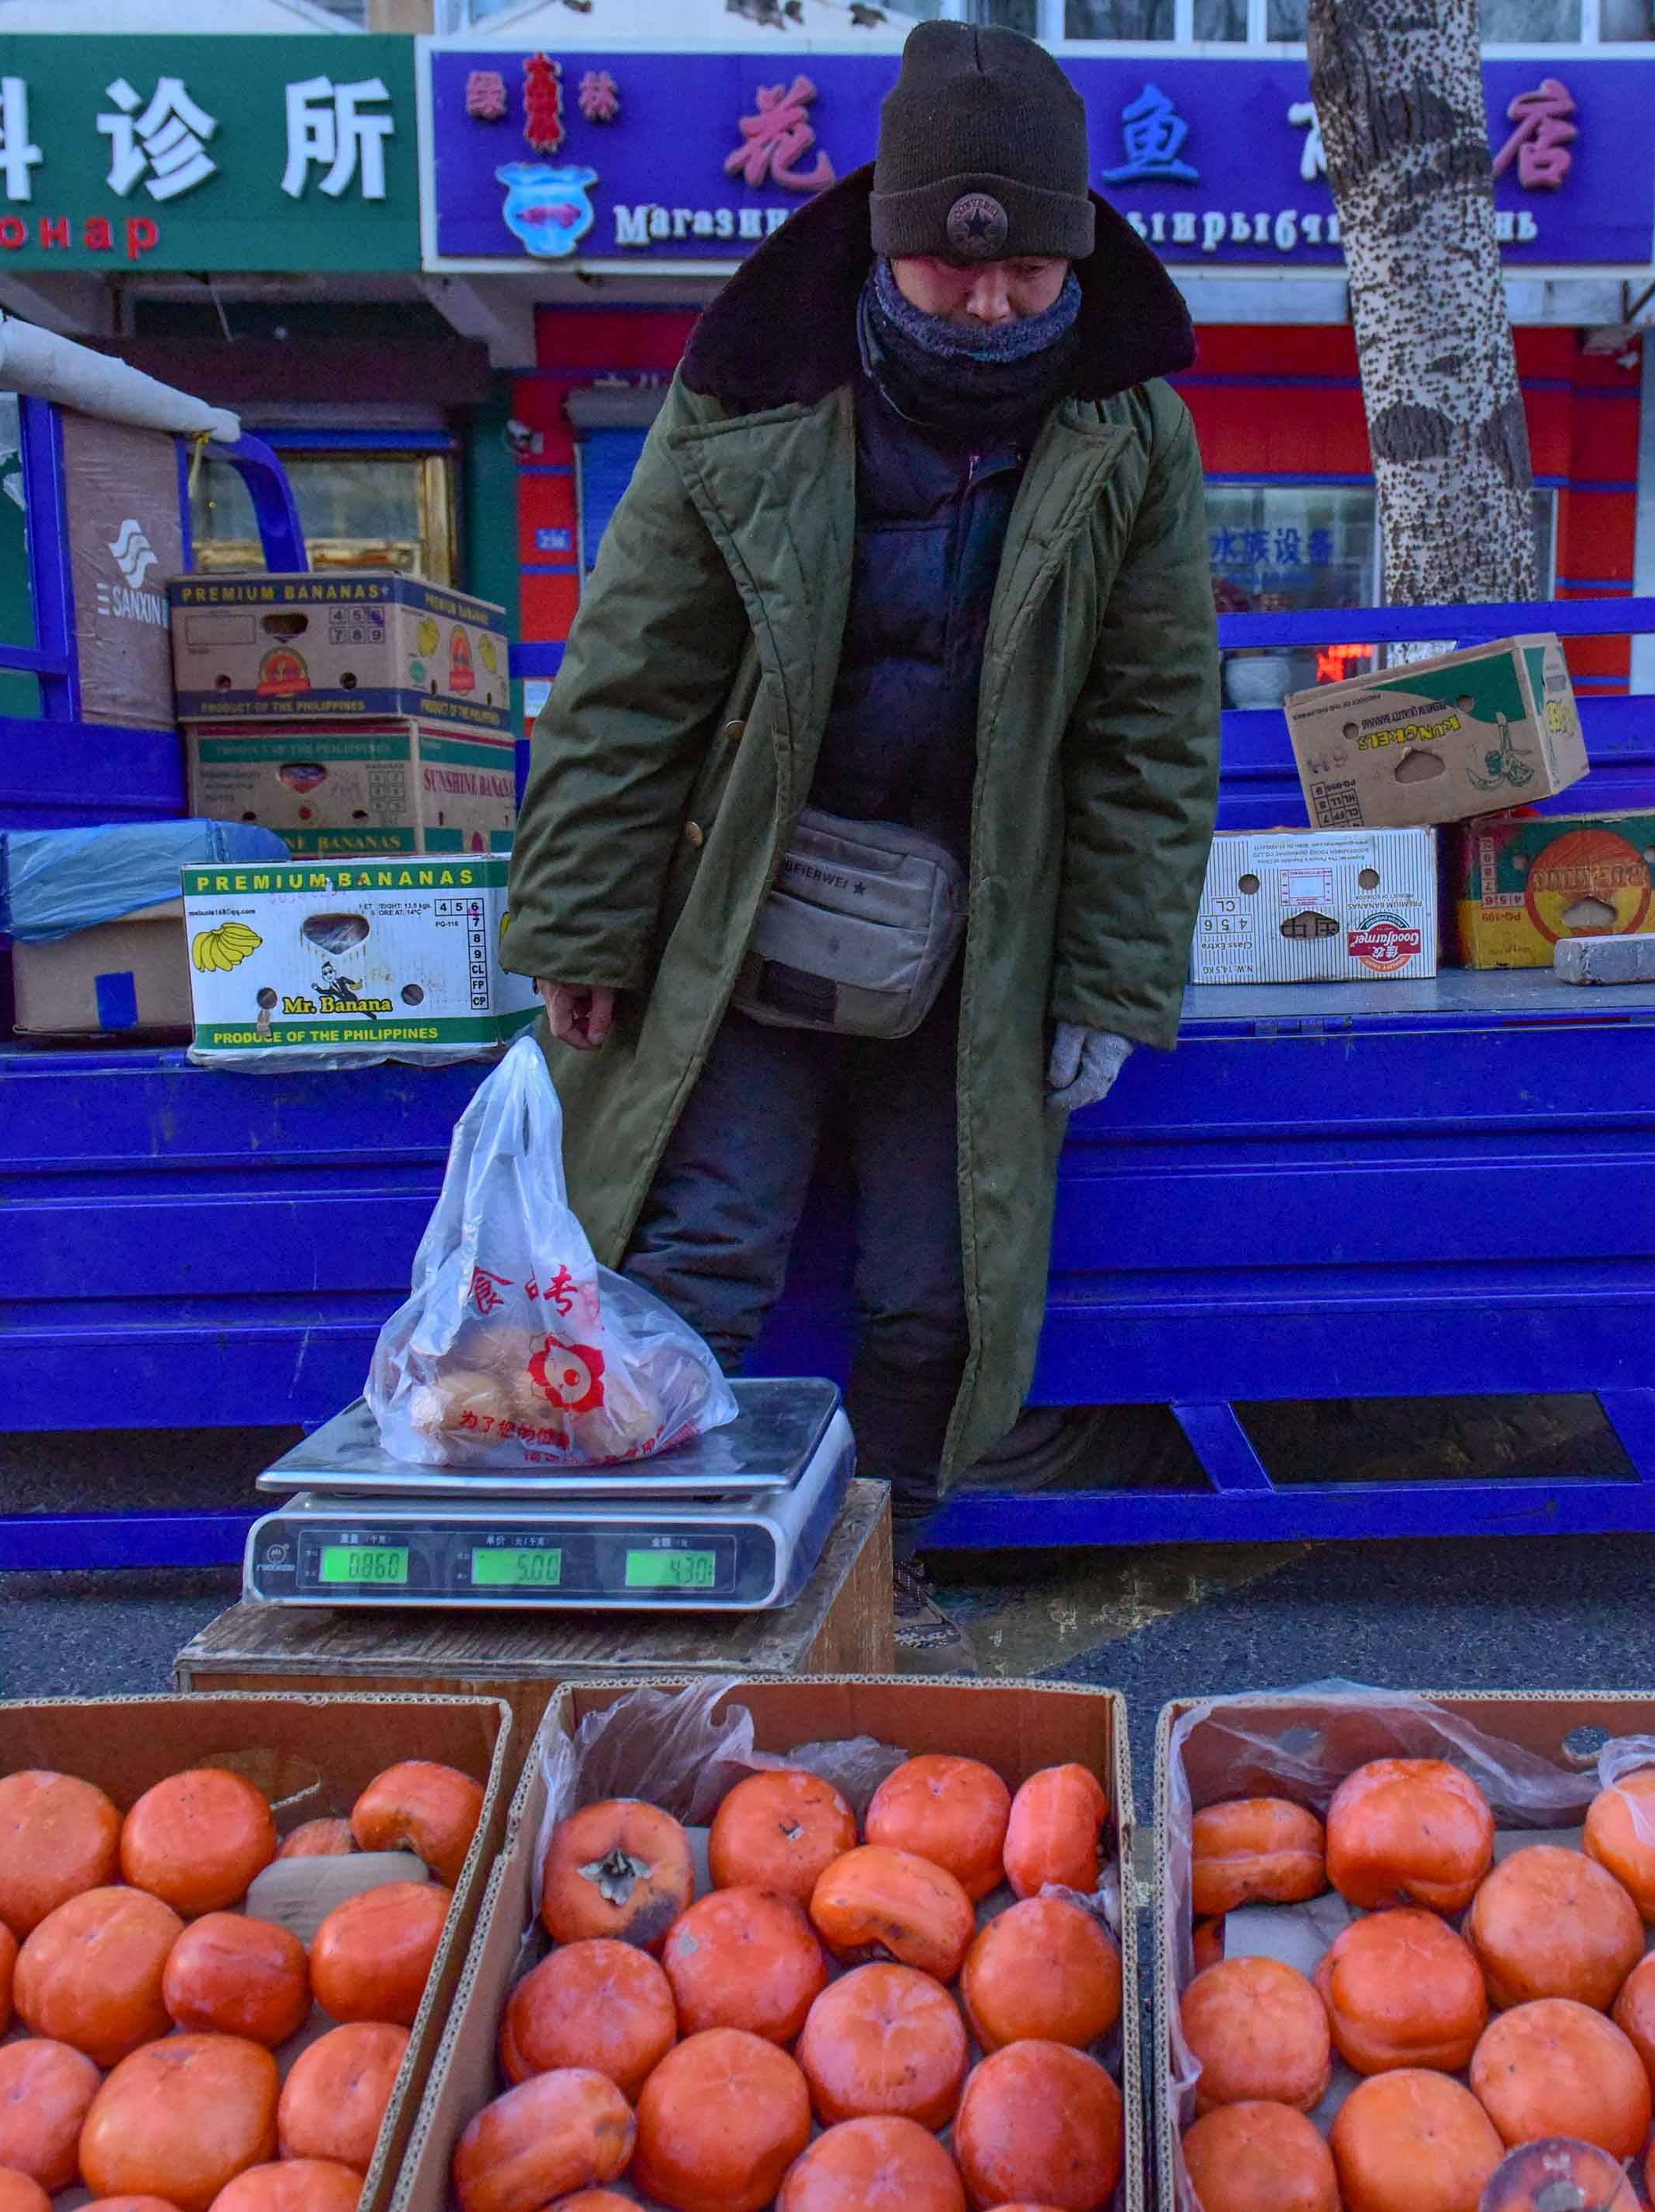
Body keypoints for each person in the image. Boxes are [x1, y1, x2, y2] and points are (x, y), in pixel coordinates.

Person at [500, 20, 1220, 1659]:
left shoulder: (1130, 433)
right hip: (743, 905)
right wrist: (582, 925)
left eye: (1027, 272)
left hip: (983, 931)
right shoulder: (748, 387)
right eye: (948, 265)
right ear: (884, 236)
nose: (986, 304)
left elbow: (1152, 724)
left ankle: (883, 1569)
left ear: (1076, 248)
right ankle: (655, 1563)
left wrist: (1109, 971)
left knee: (934, 1285)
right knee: (698, 1249)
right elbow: (630, 674)